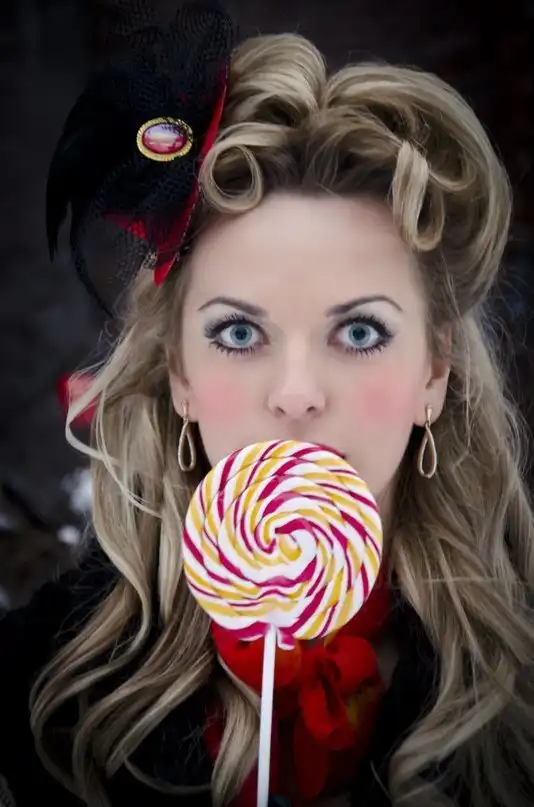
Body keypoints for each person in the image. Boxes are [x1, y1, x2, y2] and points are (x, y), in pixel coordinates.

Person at [1, 2, 534, 806]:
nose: (296, 394)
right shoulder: (41, 689)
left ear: (435, 371)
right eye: (240, 332)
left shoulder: (519, 685)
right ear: (179, 373)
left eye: (359, 330)